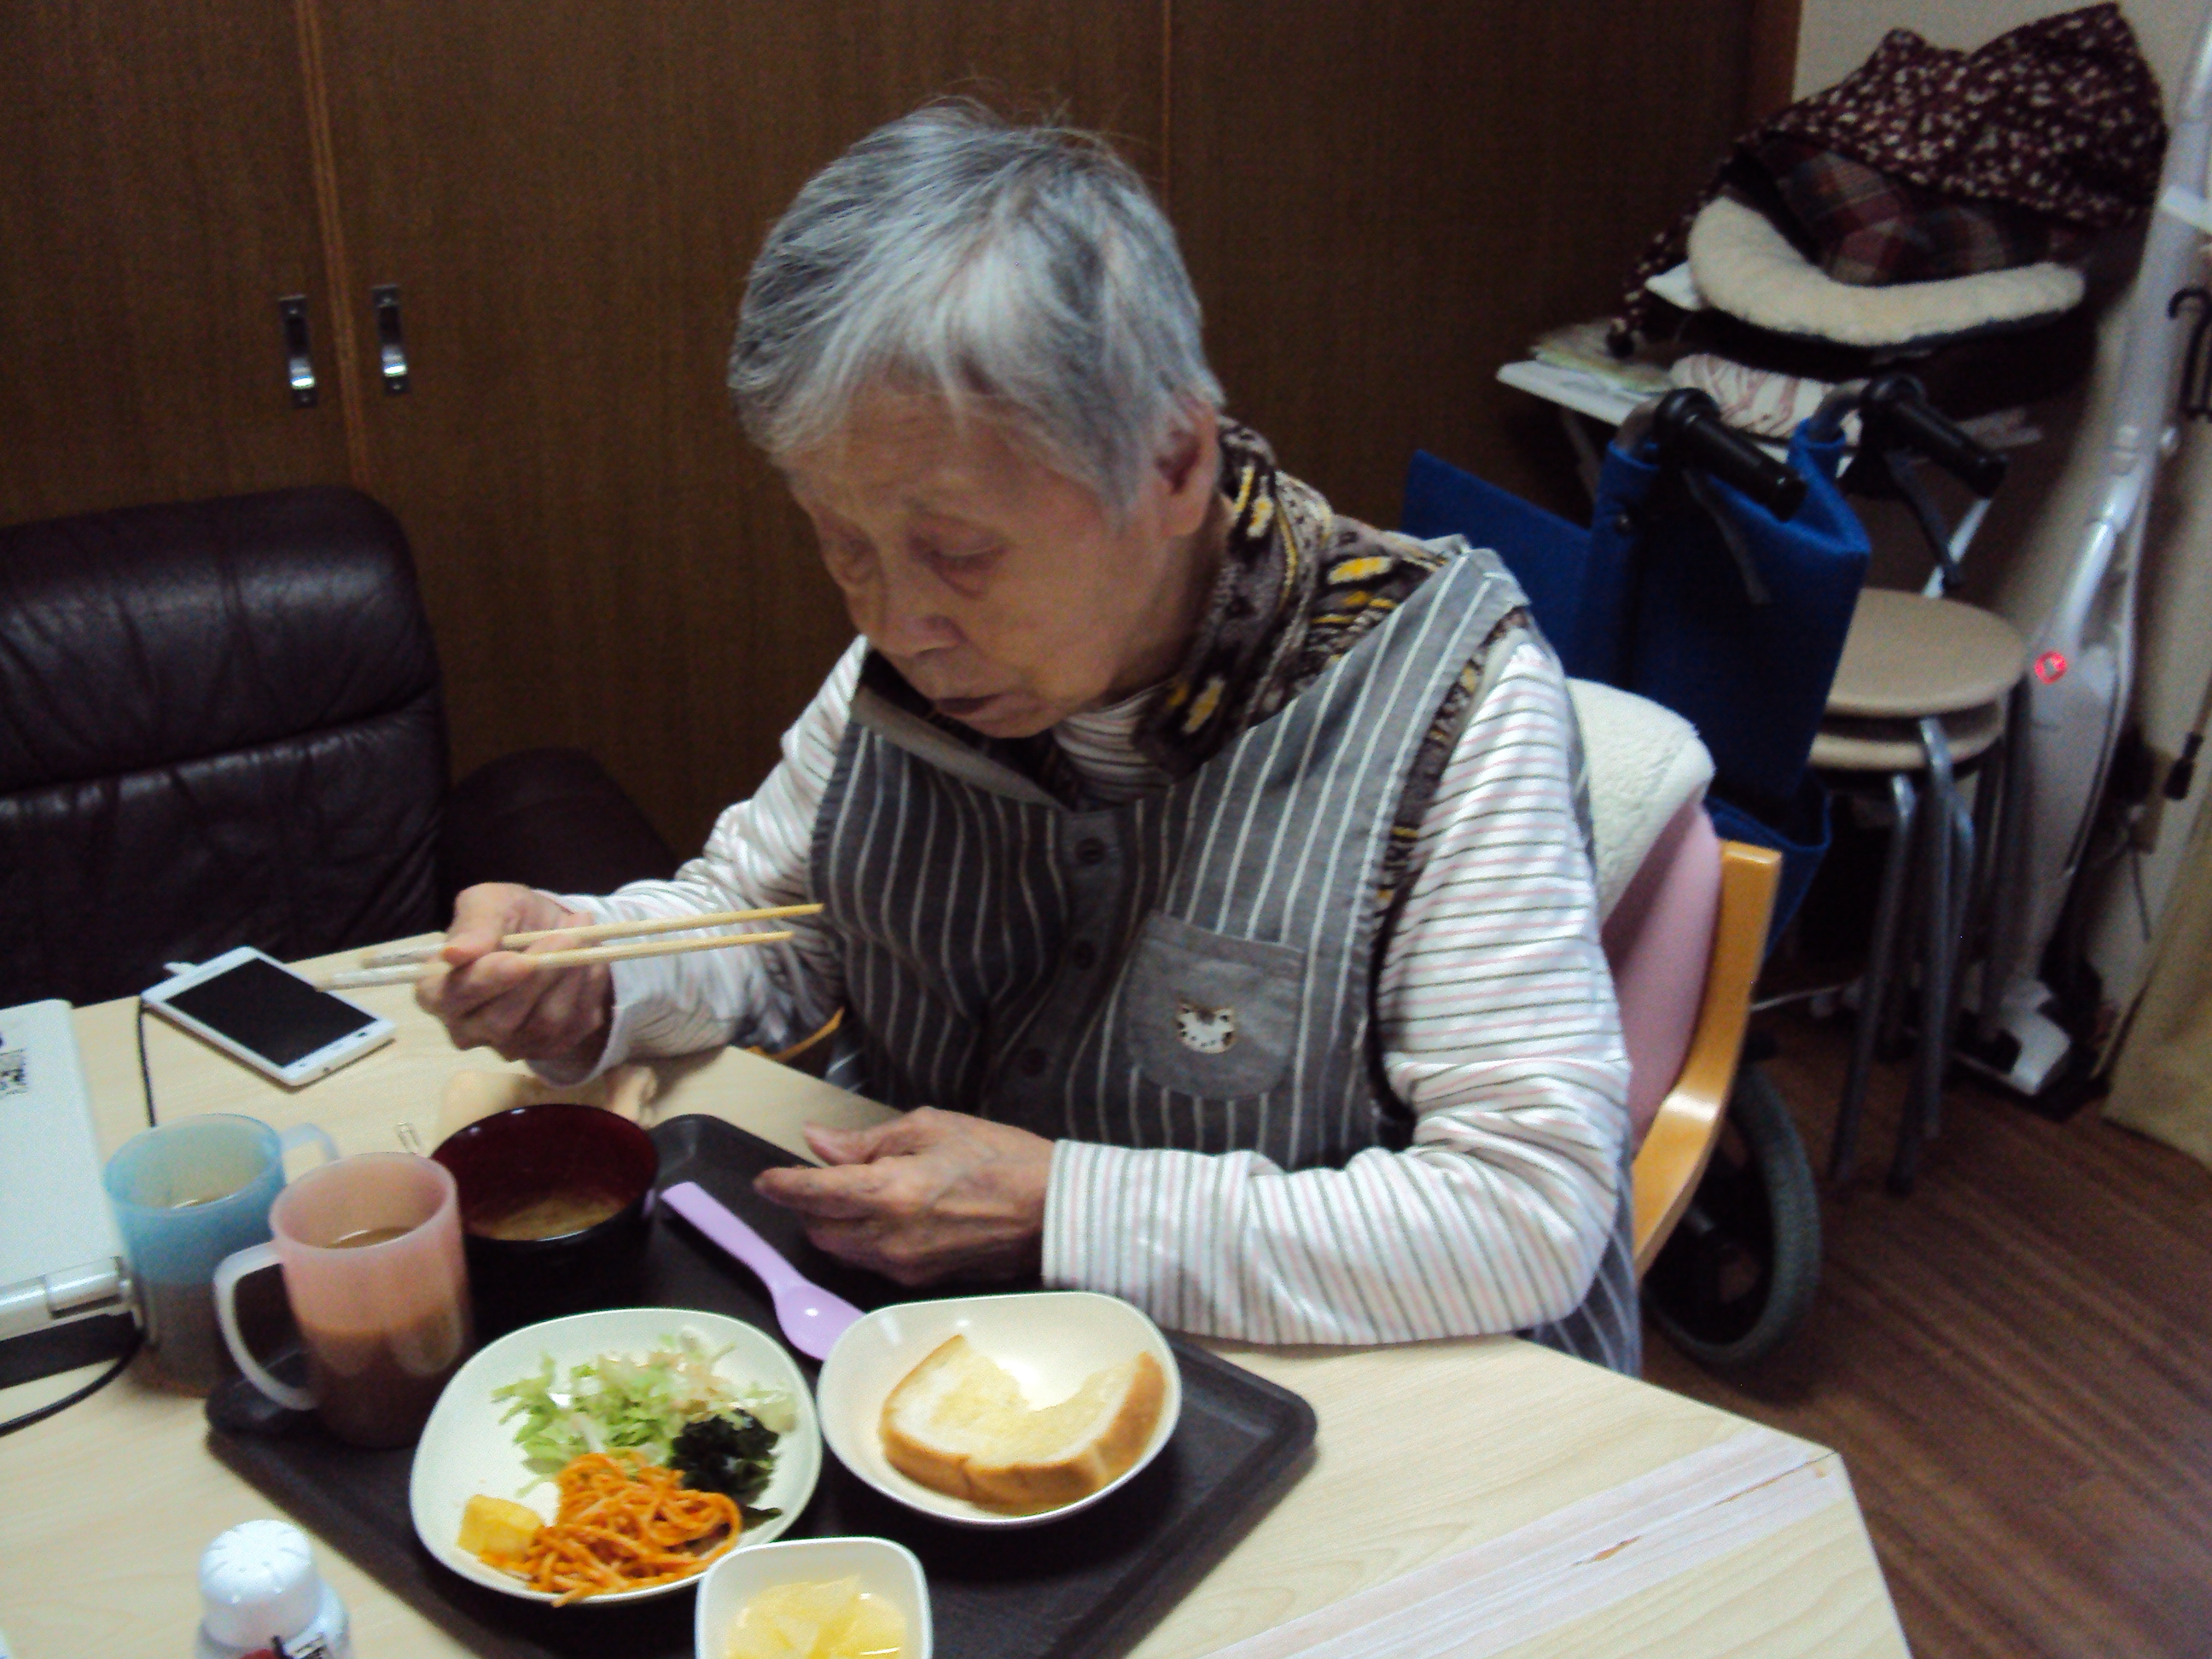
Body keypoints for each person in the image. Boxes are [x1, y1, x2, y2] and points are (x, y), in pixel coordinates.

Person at [419, 103, 1637, 1369]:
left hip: (1309, 1395)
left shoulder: (1450, 708)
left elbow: (1530, 1213)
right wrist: (600, 970)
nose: (894, 622)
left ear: (1173, 464)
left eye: (957, 552)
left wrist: (1059, 1208)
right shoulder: (919, 661)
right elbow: (766, 925)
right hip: (947, 1364)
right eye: (843, 545)